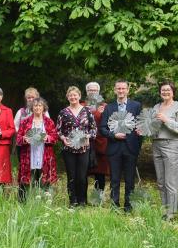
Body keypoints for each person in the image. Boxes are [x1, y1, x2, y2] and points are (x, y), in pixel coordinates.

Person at [99, 80, 142, 212]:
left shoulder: (136, 106)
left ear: (128, 90)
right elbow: (102, 128)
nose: (121, 91)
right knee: (114, 179)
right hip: (114, 147)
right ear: (115, 90)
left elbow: (141, 126)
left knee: (130, 180)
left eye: (123, 88)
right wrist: (113, 135)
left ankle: (128, 207)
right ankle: (114, 206)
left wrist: (138, 145)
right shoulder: (109, 107)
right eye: (119, 88)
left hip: (131, 148)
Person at [151, 81, 178, 220]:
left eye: (168, 90)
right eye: (163, 90)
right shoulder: (156, 107)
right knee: (160, 181)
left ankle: (172, 214)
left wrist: (166, 120)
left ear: (173, 92)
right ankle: (164, 210)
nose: (165, 92)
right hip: (156, 144)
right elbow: (152, 126)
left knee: (170, 182)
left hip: (171, 144)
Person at [56, 86, 97, 206]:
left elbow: (94, 129)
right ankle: (72, 201)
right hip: (69, 149)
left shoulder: (87, 111)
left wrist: (88, 137)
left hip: (84, 148)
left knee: (82, 176)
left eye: (75, 95)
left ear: (79, 96)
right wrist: (63, 138)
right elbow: (58, 130)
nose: (73, 97)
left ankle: (82, 201)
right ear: (67, 97)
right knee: (71, 176)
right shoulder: (63, 112)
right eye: (70, 95)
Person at [16, 97, 58, 201]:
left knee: (45, 179)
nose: (37, 108)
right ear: (32, 107)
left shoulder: (49, 122)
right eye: (35, 105)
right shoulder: (25, 122)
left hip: (45, 155)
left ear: (44, 107)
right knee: (27, 179)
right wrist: (24, 139)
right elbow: (18, 138)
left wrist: (47, 138)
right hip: (28, 155)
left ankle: (45, 201)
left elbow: (55, 138)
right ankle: (24, 202)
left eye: (40, 105)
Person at [84, 82, 110, 195]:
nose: (92, 92)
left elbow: (110, 124)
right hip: (84, 143)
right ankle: (82, 198)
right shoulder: (81, 105)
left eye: (95, 90)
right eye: (90, 90)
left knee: (100, 173)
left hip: (100, 143)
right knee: (83, 172)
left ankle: (98, 197)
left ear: (98, 92)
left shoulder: (105, 106)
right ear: (86, 92)